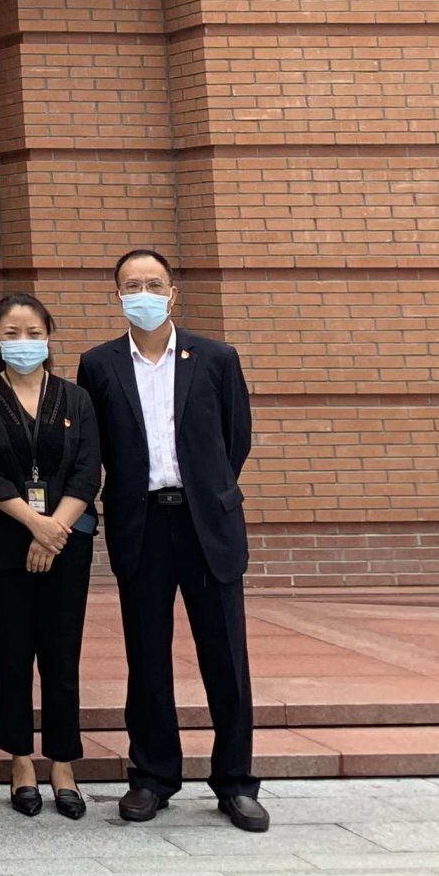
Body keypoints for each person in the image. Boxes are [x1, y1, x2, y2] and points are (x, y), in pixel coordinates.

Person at [77, 248, 267, 832]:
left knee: (226, 657)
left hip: (207, 523)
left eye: (154, 284)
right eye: (132, 285)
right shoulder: (99, 364)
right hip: (141, 525)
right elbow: (98, 446)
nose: (144, 293)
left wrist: (207, 491)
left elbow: (235, 439)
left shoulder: (215, 358)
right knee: (147, 657)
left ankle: (235, 781)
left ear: (172, 293)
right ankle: (152, 777)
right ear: (117, 296)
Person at [0, 293, 100, 820]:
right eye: (12, 333)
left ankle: (63, 763)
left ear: (49, 336)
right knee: (13, 653)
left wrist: (53, 530)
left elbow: (87, 470)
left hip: (67, 543)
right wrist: (35, 525)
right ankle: (20, 760)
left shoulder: (75, 398)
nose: (23, 342)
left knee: (62, 656)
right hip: (5, 543)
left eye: (33, 333)